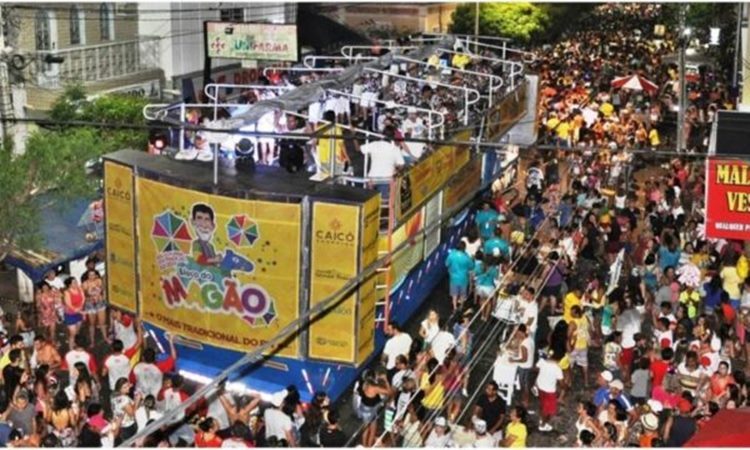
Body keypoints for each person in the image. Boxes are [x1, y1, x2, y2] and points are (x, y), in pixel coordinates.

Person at [535, 354, 563, 432]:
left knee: (542, 403)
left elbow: (536, 368)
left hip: (540, 386)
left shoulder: (542, 361)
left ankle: (541, 419)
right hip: (550, 391)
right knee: (549, 410)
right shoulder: (557, 368)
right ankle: (543, 425)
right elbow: (562, 383)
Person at [81, 269, 108, 345]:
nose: (92, 277)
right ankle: (92, 341)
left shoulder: (99, 281)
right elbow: (84, 295)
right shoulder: (85, 284)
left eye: (93, 275)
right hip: (90, 304)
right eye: (90, 275)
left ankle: (105, 337)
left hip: (99, 302)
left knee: (102, 322)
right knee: (92, 324)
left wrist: (101, 296)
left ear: (96, 275)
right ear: (87, 276)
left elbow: (103, 290)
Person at [445, 241, 474, 312]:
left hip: (454, 278)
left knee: (454, 295)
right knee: (462, 295)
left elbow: (446, 264)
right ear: (464, 248)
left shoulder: (452, 255)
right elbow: (471, 266)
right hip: (464, 279)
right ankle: (461, 307)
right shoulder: (466, 257)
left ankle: (454, 308)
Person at [62, 277, 85, 350]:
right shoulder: (67, 292)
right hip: (70, 314)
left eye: (76, 281)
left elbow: (83, 298)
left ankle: (75, 342)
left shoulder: (79, 288)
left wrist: (81, 306)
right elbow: (69, 304)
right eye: (74, 282)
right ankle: (71, 348)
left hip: (79, 312)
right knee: (73, 333)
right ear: (69, 285)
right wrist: (79, 310)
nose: (76, 283)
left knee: (77, 330)